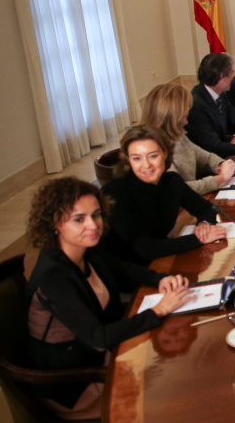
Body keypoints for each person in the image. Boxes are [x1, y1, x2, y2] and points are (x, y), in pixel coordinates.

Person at [25, 177, 193, 419]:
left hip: (101, 355)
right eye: (79, 219)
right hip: (75, 381)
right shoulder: (53, 276)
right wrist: (158, 310)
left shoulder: (85, 247)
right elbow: (99, 337)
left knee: (178, 369)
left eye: (96, 215)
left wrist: (159, 279)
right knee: (171, 395)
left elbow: (121, 269)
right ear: (54, 223)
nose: (93, 225)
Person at [102, 125, 227, 264]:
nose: (146, 165)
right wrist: (198, 239)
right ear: (128, 161)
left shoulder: (171, 181)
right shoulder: (114, 192)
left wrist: (204, 224)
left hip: (160, 259)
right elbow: (143, 249)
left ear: (165, 154)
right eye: (137, 158)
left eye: (153, 156)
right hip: (129, 268)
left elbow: (206, 208)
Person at [141, 83, 235, 195]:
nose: (189, 110)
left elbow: (206, 158)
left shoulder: (178, 136)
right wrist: (220, 179)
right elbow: (177, 189)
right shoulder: (152, 148)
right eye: (186, 107)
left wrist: (222, 165)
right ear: (176, 112)